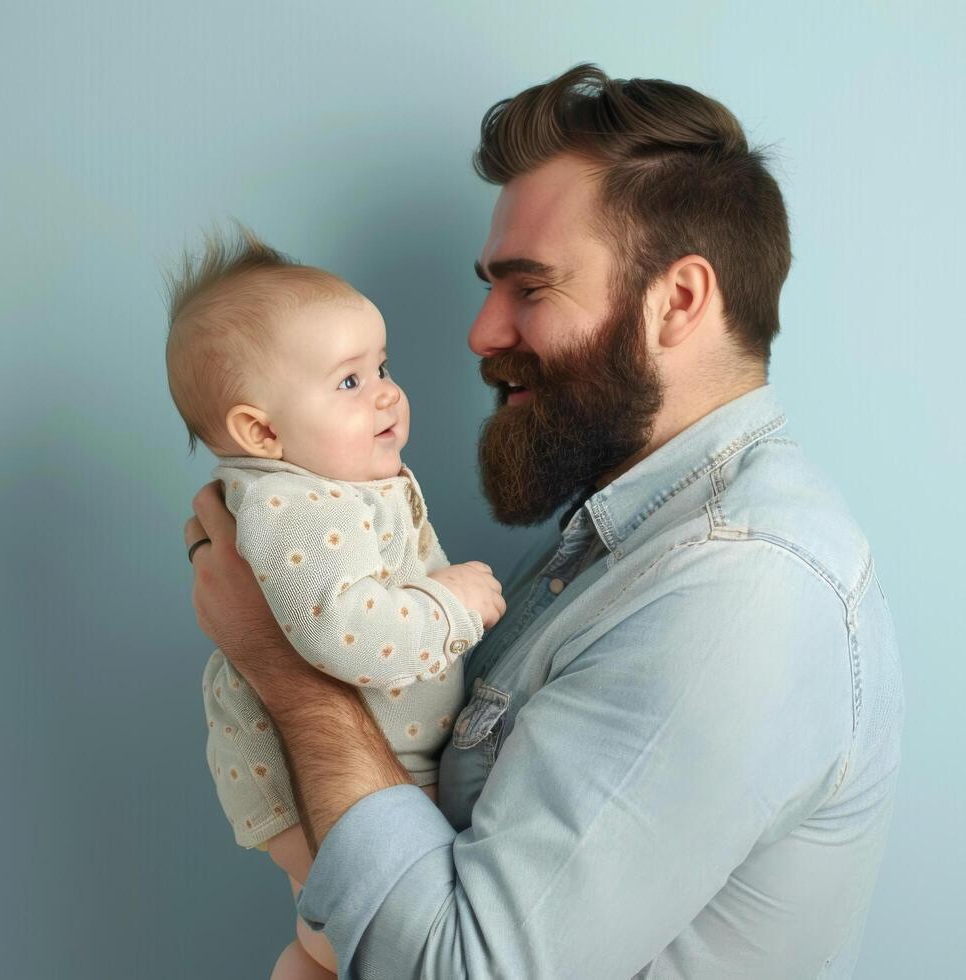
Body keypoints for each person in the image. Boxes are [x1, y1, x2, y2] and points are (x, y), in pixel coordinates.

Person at [183, 64, 904, 979]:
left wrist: (284, 665)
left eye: (528, 287)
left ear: (677, 302)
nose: (482, 332)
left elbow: (462, 967)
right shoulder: (612, 544)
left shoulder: (741, 593)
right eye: (491, 287)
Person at [164, 229, 505, 977]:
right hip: (324, 771)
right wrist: (452, 605)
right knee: (358, 934)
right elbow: (346, 632)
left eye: (382, 367)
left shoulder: (325, 483)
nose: (387, 391)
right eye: (349, 382)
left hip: (375, 757)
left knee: (328, 949)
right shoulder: (295, 504)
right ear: (261, 431)